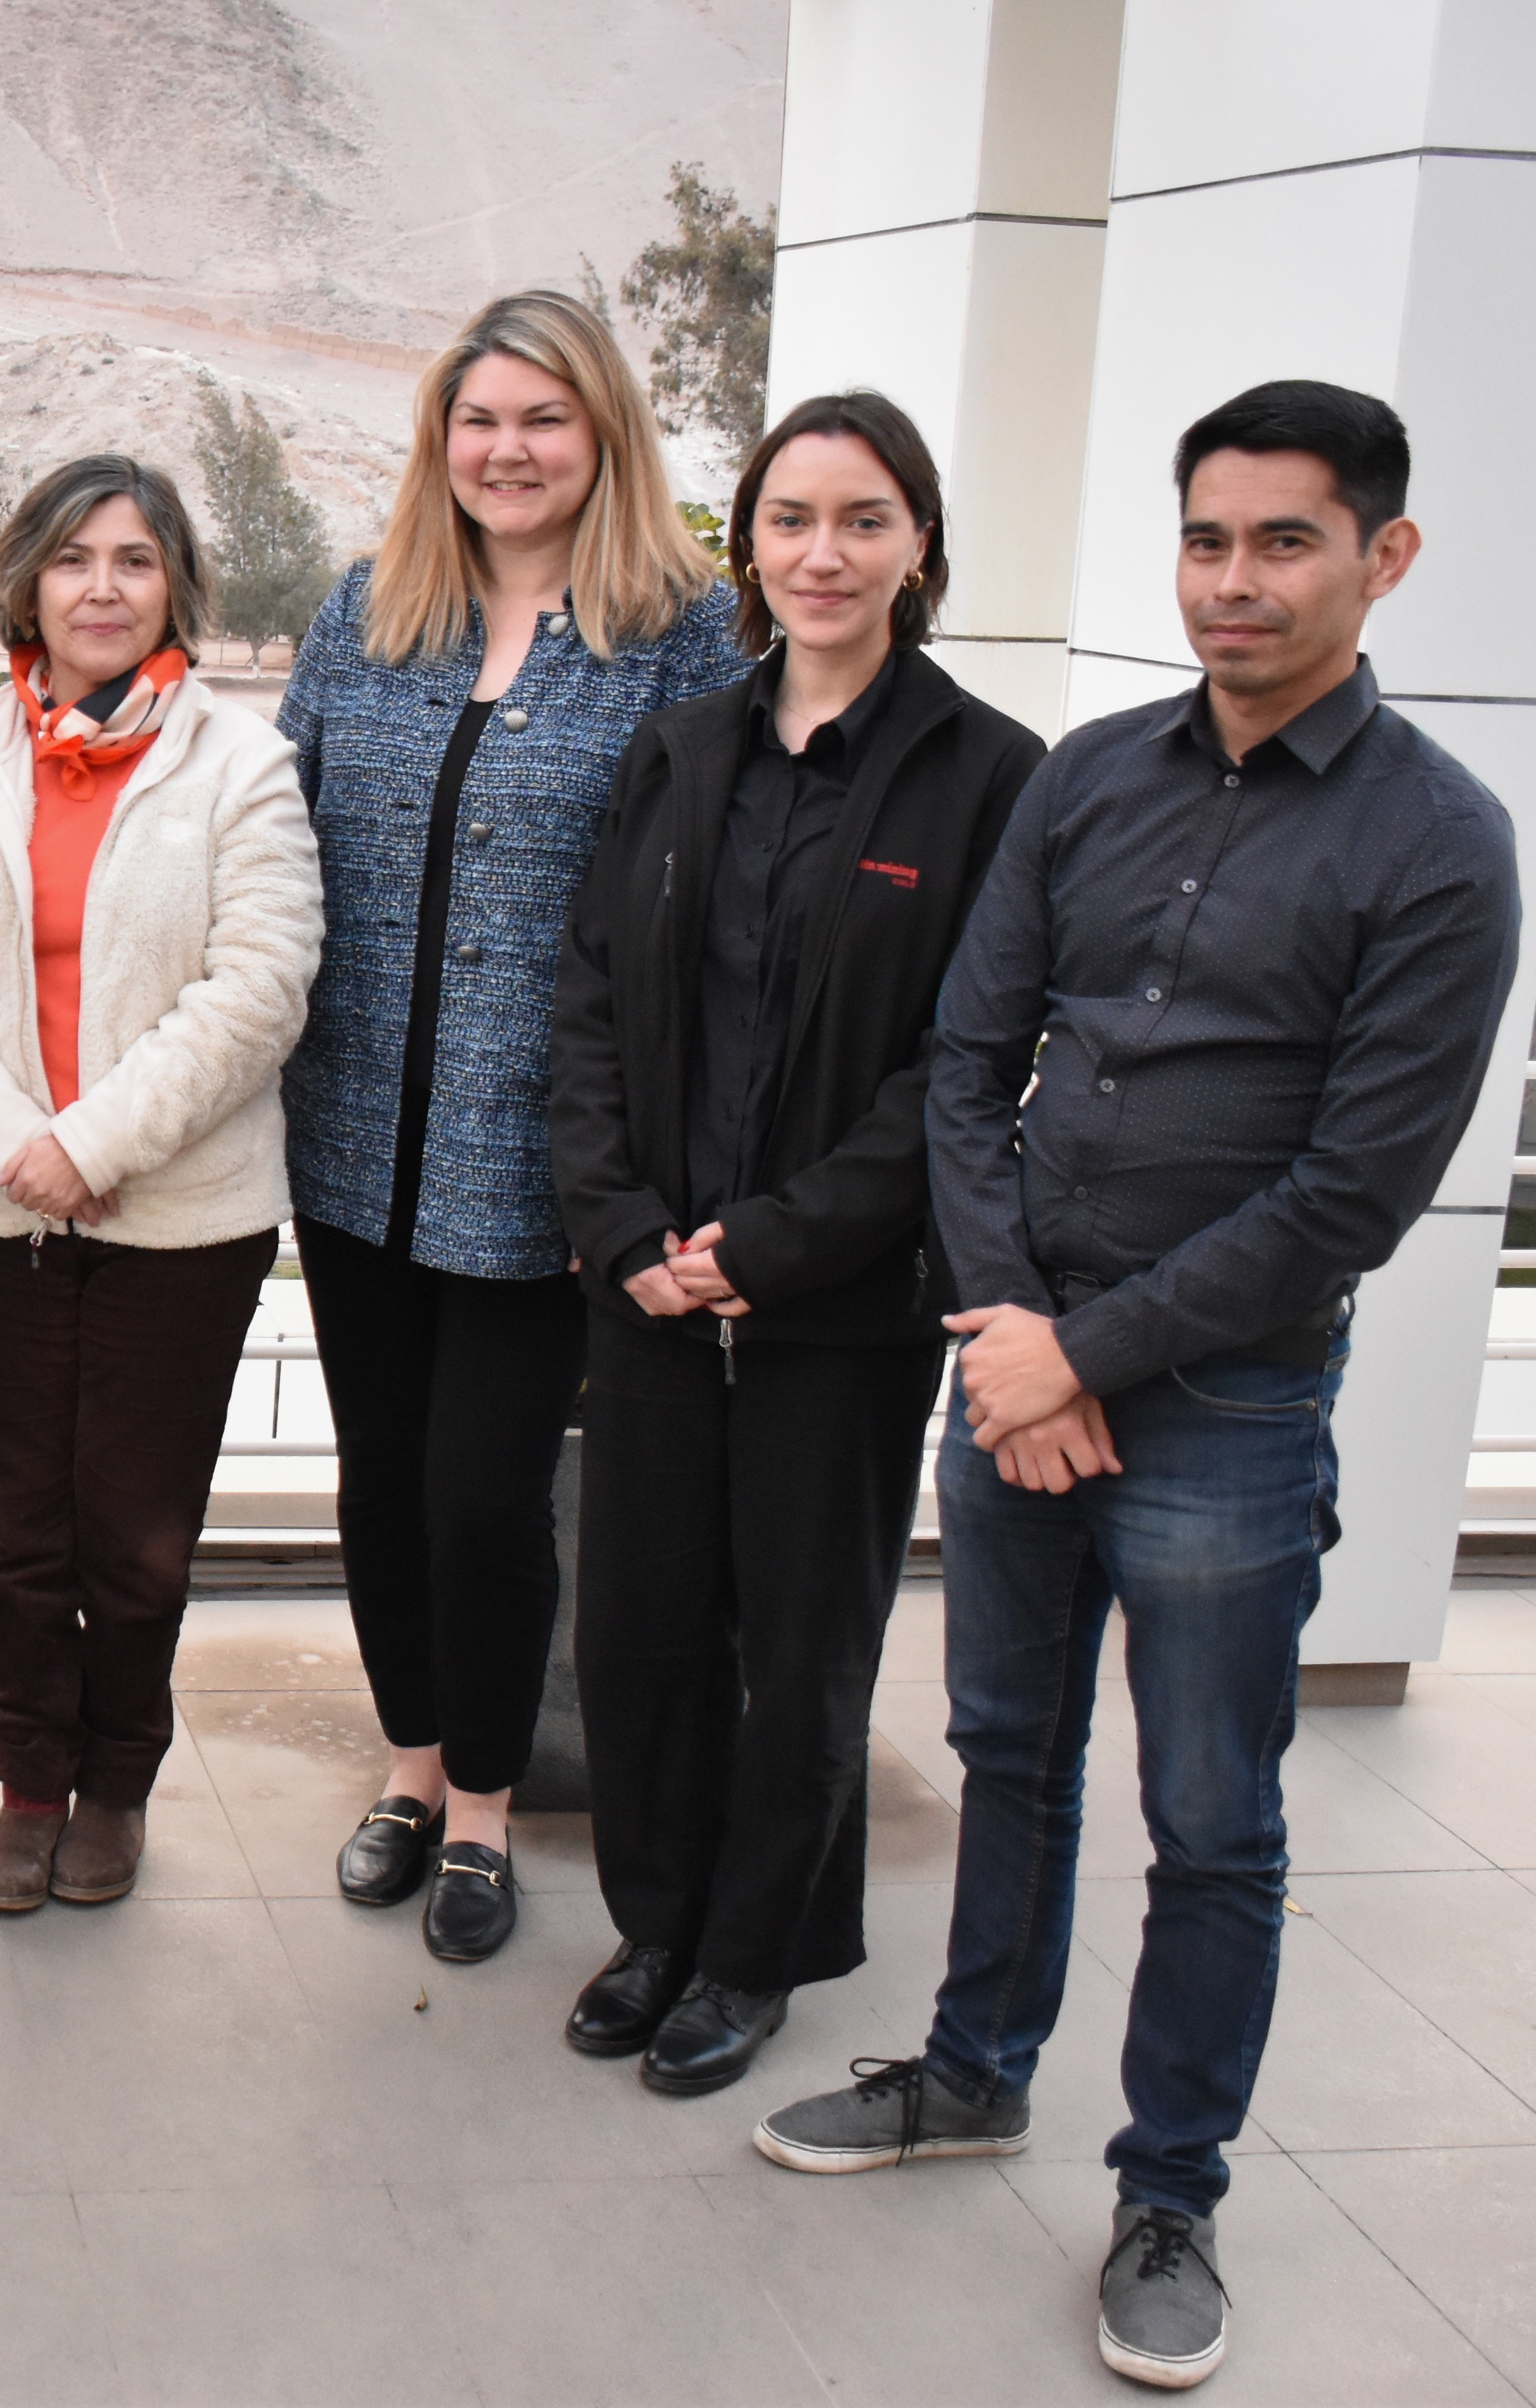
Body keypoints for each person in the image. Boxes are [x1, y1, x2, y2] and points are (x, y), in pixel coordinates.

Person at [755, 383, 1517, 2393]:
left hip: (1227, 1409)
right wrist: (1017, 1337)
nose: (1236, 580)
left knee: (1213, 1817)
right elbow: (972, 1061)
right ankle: (973, 2067)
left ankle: (1170, 2187)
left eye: (1285, 541)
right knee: (1009, 1746)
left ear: (1385, 557)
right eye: (1208, 540)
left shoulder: (1444, 844)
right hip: (1018, 1370)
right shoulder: (1091, 778)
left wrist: (1083, 1352)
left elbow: (1355, 1188)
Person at [545, 391, 1043, 2094]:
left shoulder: (991, 777)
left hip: (838, 1305)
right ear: (742, 547)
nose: (822, 552)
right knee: (643, 1632)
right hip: (654, 1296)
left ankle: (753, 1949)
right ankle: (656, 1919)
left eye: (863, 518)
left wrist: (771, 1237)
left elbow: (962, 1067)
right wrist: (624, 1229)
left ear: (919, 546)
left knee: (804, 1642)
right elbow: (593, 1003)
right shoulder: (680, 750)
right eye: (790, 519)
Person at [280, 289, 748, 1965]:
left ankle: (481, 1806)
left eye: (542, 419)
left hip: (545, 1169)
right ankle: (406, 1770)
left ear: (602, 432)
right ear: (439, 441)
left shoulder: (686, 638)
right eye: (479, 420)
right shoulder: (366, 614)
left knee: (482, 1497)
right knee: (379, 1486)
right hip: (345, 1151)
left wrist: (642, 1174)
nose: (507, 450)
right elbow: (275, 847)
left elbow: (709, 919)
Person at [0, 455, 319, 1911]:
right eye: (72, 557)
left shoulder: (239, 762)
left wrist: (89, 1145)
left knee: (136, 1532)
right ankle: (26, 1782)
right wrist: (14, 1140)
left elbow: (260, 985)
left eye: (132, 560)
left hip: (180, 1217)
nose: (98, 585)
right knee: (19, 1523)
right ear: (24, 580)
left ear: (172, 588)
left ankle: (117, 1784)